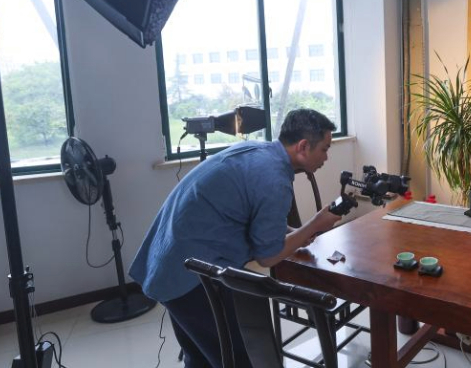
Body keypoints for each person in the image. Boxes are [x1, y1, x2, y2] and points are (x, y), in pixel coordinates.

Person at [130, 108, 341, 368]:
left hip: (167, 260)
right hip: (189, 277)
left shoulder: (258, 153)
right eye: (325, 149)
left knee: (199, 356)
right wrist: (315, 224)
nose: (327, 157)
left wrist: (291, 232)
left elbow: (248, 213)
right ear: (303, 146)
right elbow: (268, 257)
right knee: (235, 359)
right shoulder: (274, 179)